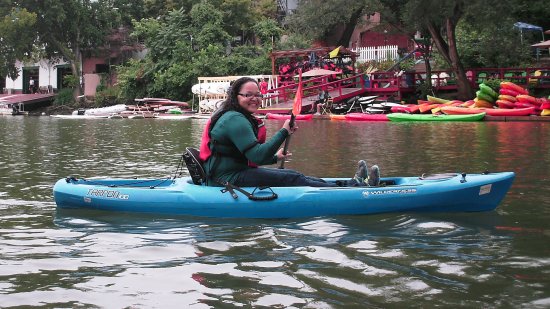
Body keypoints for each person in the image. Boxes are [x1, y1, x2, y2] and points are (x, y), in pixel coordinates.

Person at [199, 76, 380, 188]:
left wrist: (275, 158)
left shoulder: (236, 116)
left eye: (258, 95)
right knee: (291, 179)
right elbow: (257, 157)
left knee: (294, 175)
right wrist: (283, 132)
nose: (254, 99)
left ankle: (352, 183)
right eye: (248, 95)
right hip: (226, 179)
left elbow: (248, 154)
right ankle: (356, 187)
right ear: (235, 97)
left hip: (232, 173)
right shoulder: (234, 119)